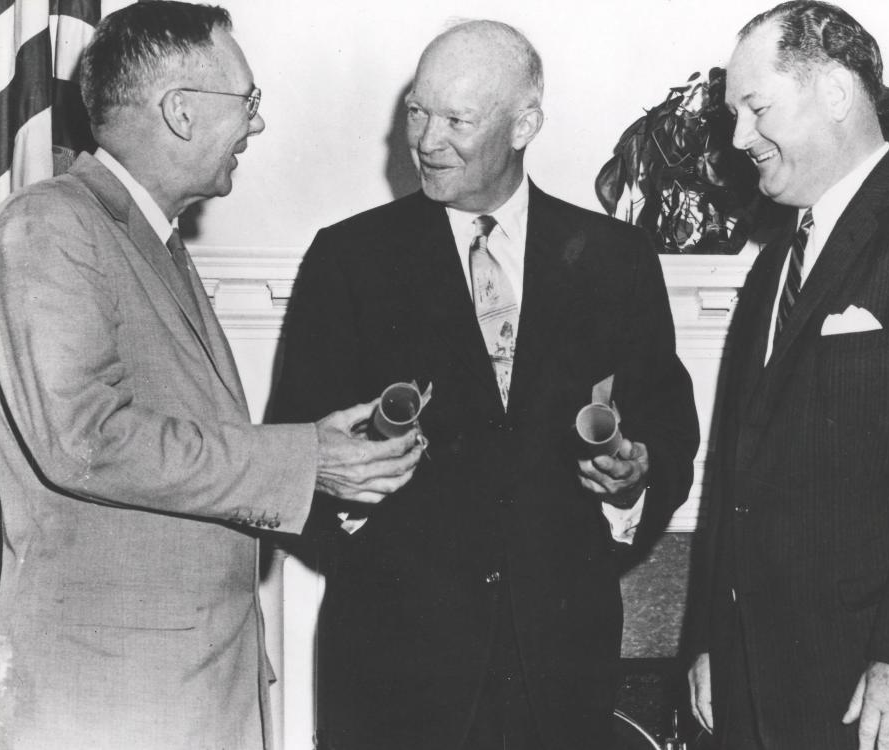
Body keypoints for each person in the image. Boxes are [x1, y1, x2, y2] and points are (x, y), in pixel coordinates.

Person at [0, 3, 423, 748]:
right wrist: (309, 459)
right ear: (181, 111)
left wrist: (319, 453)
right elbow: (87, 439)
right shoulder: (51, 224)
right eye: (247, 101)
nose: (255, 125)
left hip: (189, 687)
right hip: (113, 697)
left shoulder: (153, 243)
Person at [271, 19, 700, 750]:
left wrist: (634, 477)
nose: (426, 140)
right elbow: (293, 452)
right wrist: (355, 507)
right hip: (393, 674)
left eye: (457, 120)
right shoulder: (348, 258)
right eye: (416, 110)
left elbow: (667, 428)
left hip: (559, 673)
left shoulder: (615, 258)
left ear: (525, 123)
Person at [686, 2, 889, 749]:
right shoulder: (773, 267)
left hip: (875, 689)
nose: (738, 138)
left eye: (756, 108)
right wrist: (708, 638)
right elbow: (737, 472)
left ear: (835, 92)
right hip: (757, 678)